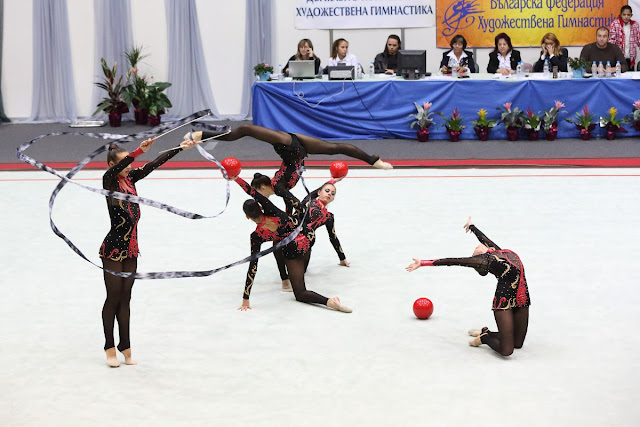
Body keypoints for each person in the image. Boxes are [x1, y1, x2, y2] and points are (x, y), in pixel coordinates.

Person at [100, 137, 197, 367]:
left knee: (126, 298)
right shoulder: (109, 181)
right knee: (113, 297)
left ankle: (126, 345)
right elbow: (125, 165)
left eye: (129, 163)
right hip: (113, 249)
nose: (129, 167)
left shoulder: (130, 180)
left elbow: (154, 164)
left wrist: (179, 148)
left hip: (131, 249)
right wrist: (138, 151)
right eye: (124, 163)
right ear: (112, 165)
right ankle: (109, 346)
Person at [405, 217, 531, 357]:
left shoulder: (497, 251)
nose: (475, 249)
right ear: (481, 258)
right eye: (475, 253)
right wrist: (423, 262)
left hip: (522, 298)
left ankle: (486, 331)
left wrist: (472, 227)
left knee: (518, 343)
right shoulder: (486, 260)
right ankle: (485, 338)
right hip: (504, 300)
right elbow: (452, 261)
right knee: (507, 350)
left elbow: (483, 238)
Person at [229, 175, 351, 313]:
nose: (329, 194)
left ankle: (325, 300)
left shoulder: (256, 236)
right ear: (261, 207)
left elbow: (253, 266)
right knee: (284, 245)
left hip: (291, 249)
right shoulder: (273, 211)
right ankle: (287, 280)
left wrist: (246, 298)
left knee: (279, 245)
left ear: (247, 217)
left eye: (332, 193)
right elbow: (252, 192)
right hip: (303, 242)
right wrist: (236, 178)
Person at [187, 124, 393, 173]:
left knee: (244, 130)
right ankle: (372, 160)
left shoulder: (286, 175)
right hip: (292, 149)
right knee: (335, 148)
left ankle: (200, 134)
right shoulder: (287, 177)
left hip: (289, 144)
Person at [608, 5, 640, 70]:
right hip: (618, 58)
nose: (626, 17)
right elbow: (612, 42)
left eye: (628, 15)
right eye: (624, 14)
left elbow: (638, 40)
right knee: (619, 74)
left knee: (630, 75)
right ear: (620, 15)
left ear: (631, 15)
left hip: (630, 57)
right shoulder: (615, 24)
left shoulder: (635, 25)